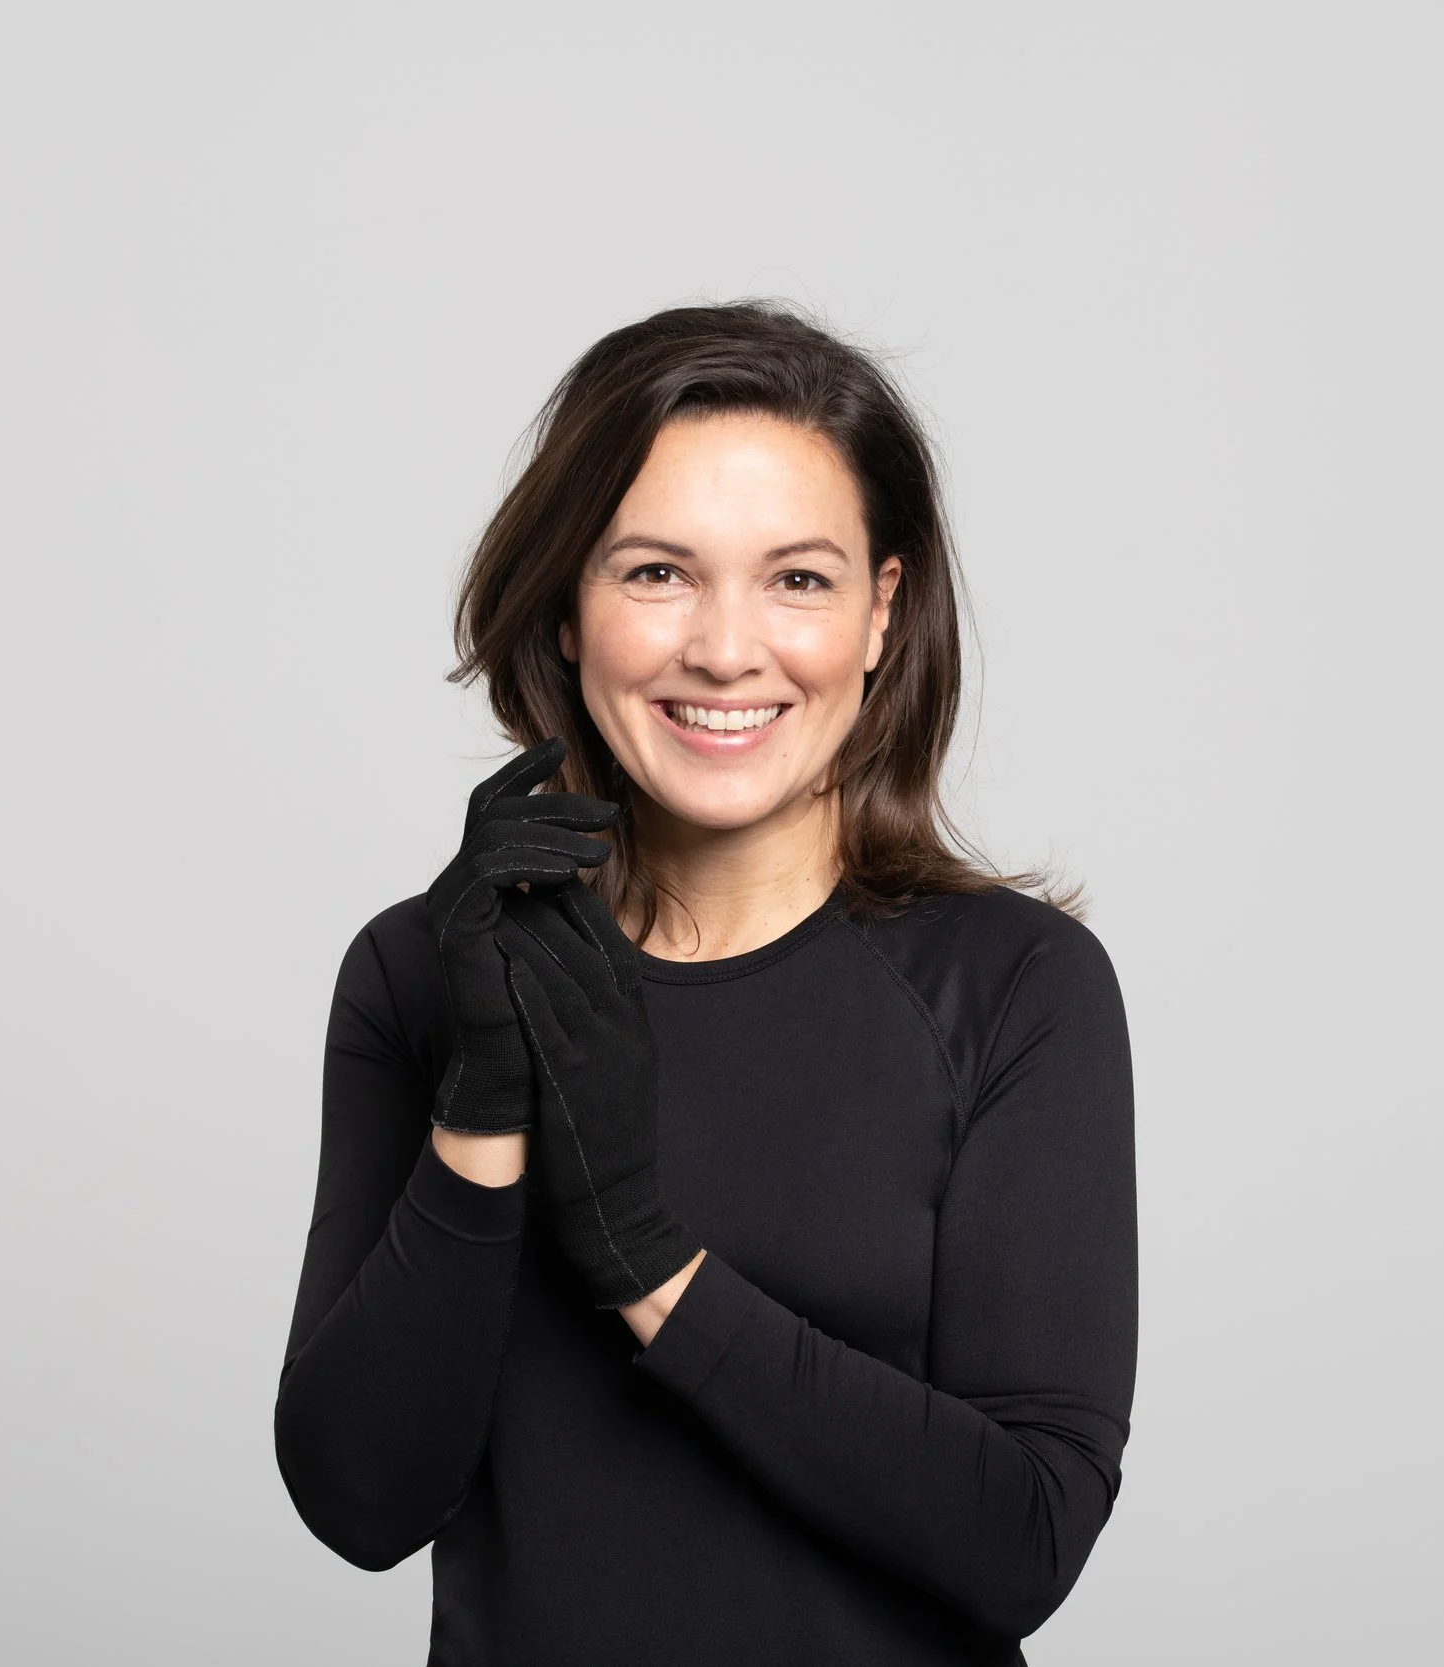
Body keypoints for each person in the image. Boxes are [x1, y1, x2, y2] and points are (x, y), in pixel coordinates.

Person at [274, 300, 1138, 1665]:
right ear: (566, 608)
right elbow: (362, 1498)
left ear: (880, 613)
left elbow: (1022, 1536)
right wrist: (485, 1107)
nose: (726, 649)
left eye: (797, 579)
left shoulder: (1017, 987)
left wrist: (649, 1264)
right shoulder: (421, 972)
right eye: (656, 573)